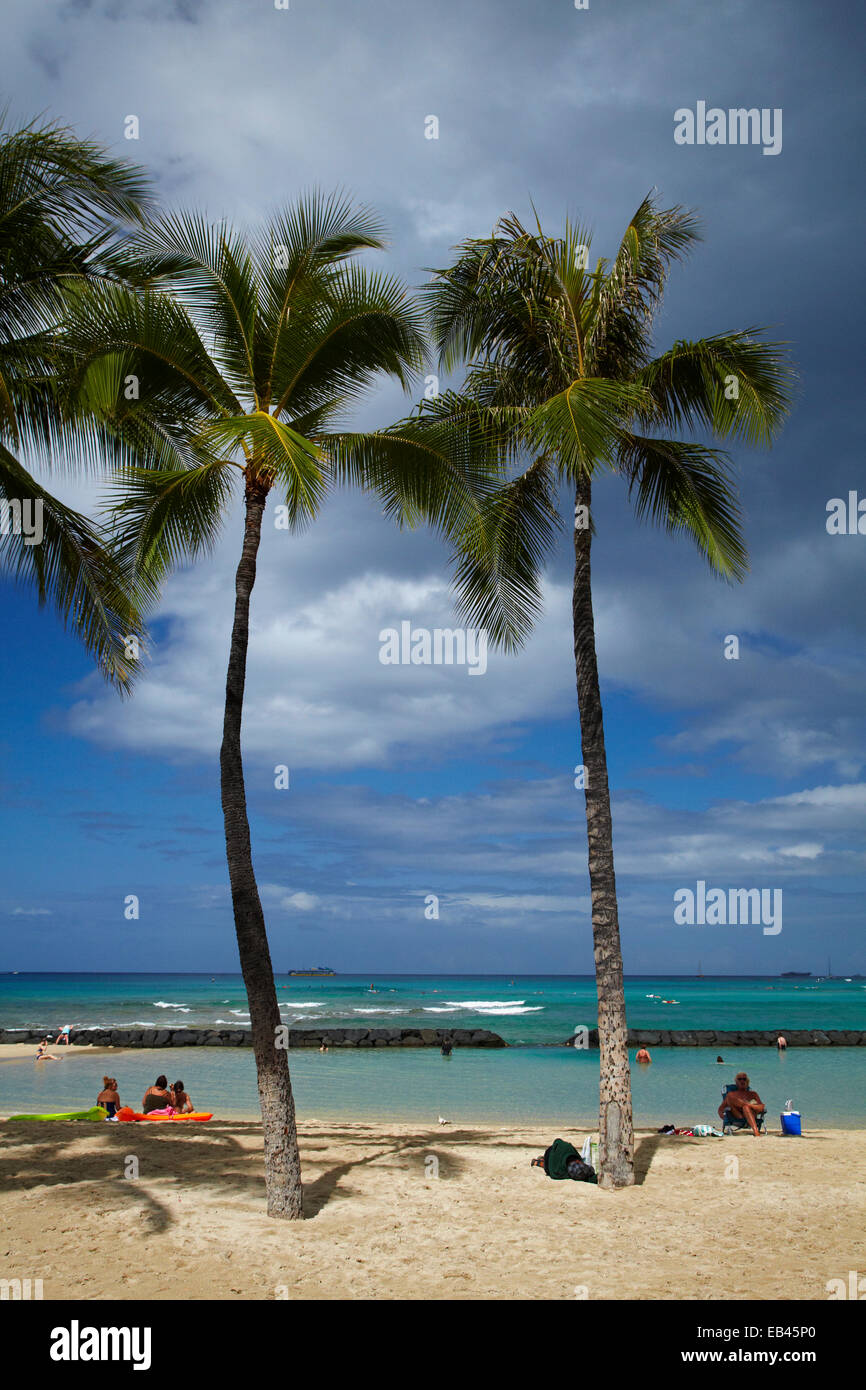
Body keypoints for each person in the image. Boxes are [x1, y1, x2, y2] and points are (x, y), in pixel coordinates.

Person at [718, 1071, 766, 1137]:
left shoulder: (753, 1094)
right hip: (738, 1116)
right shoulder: (731, 1095)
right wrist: (725, 1118)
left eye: (744, 1079)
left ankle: (756, 1132)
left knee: (746, 1107)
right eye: (739, 1079)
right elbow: (720, 1109)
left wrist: (750, 1106)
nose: (742, 1081)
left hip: (752, 1114)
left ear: (747, 1082)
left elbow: (762, 1107)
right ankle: (756, 1133)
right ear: (736, 1082)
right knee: (734, 1099)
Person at [530, 1137, 597, 1183]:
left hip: (551, 1155)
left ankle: (540, 1161)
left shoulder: (568, 1149)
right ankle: (539, 1162)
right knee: (545, 1164)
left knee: (546, 1164)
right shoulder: (562, 1173)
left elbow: (558, 1141)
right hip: (550, 1154)